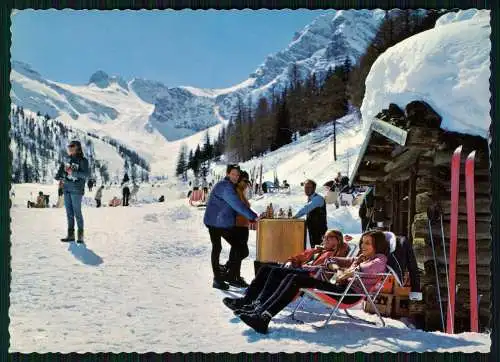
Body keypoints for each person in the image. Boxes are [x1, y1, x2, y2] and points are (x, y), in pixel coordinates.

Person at [235, 230, 389, 334]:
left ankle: (263, 316)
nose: (363, 246)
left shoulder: (379, 259)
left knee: (296, 279)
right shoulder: (361, 257)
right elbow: (333, 260)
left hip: (349, 294)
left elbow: (365, 269)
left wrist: (347, 271)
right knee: (292, 277)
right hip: (339, 287)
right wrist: (338, 269)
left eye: (368, 243)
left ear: (378, 245)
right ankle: (261, 312)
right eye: (363, 242)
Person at [222, 229, 349, 313]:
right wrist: (290, 262)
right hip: (297, 270)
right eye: (325, 237)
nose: (325, 239)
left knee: (273, 272)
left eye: (330, 237)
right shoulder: (317, 250)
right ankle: (247, 299)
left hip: (307, 276)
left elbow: (324, 267)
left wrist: (299, 267)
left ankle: (257, 303)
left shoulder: (334, 255)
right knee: (266, 267)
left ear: (337, 240)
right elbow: (297, 257)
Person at [204, 164, 259, 290]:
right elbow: (236, 204)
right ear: (228, 174)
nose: (235, 177)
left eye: (237, 175)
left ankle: (226, 273)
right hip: (215, 223)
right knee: (218, 247)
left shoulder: (231, 186)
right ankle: (218, 278)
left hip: (222, 223)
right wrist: (253, 217)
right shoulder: (225, 186)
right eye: (233, 174)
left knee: (236, 247)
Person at [220, 170, 253, 287]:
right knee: (241, 251)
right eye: (244, 181)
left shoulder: (240, 192)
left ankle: (230, 273)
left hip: (242, 226)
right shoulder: (235, 191)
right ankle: (233, 275)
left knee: (238, 252)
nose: (246, 184)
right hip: (237, 226)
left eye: (247, 182)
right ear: (238, 180)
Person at [55, 140, 90, 243]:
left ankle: (80, 236)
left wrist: (72, 172)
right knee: (69, 213)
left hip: (77, 190)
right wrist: (60, 176)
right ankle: (70, 236)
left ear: (77, 148)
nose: (69, 147)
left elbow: (86, 175)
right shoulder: (67, 159)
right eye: (69, 146)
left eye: (72, 146)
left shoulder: (83, 161)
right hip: (66, 189)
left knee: (77, 213)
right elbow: (60, 174)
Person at [293, 179, 328, 248]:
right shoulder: (311, 199)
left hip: (320, 230)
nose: (307, 189)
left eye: (309, 187)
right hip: (313, 229)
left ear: (314, 188)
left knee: (320, 249)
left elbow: (306, 208)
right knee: (314, 248)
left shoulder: (318, 199)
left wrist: (294, 217)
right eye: (305, 187)